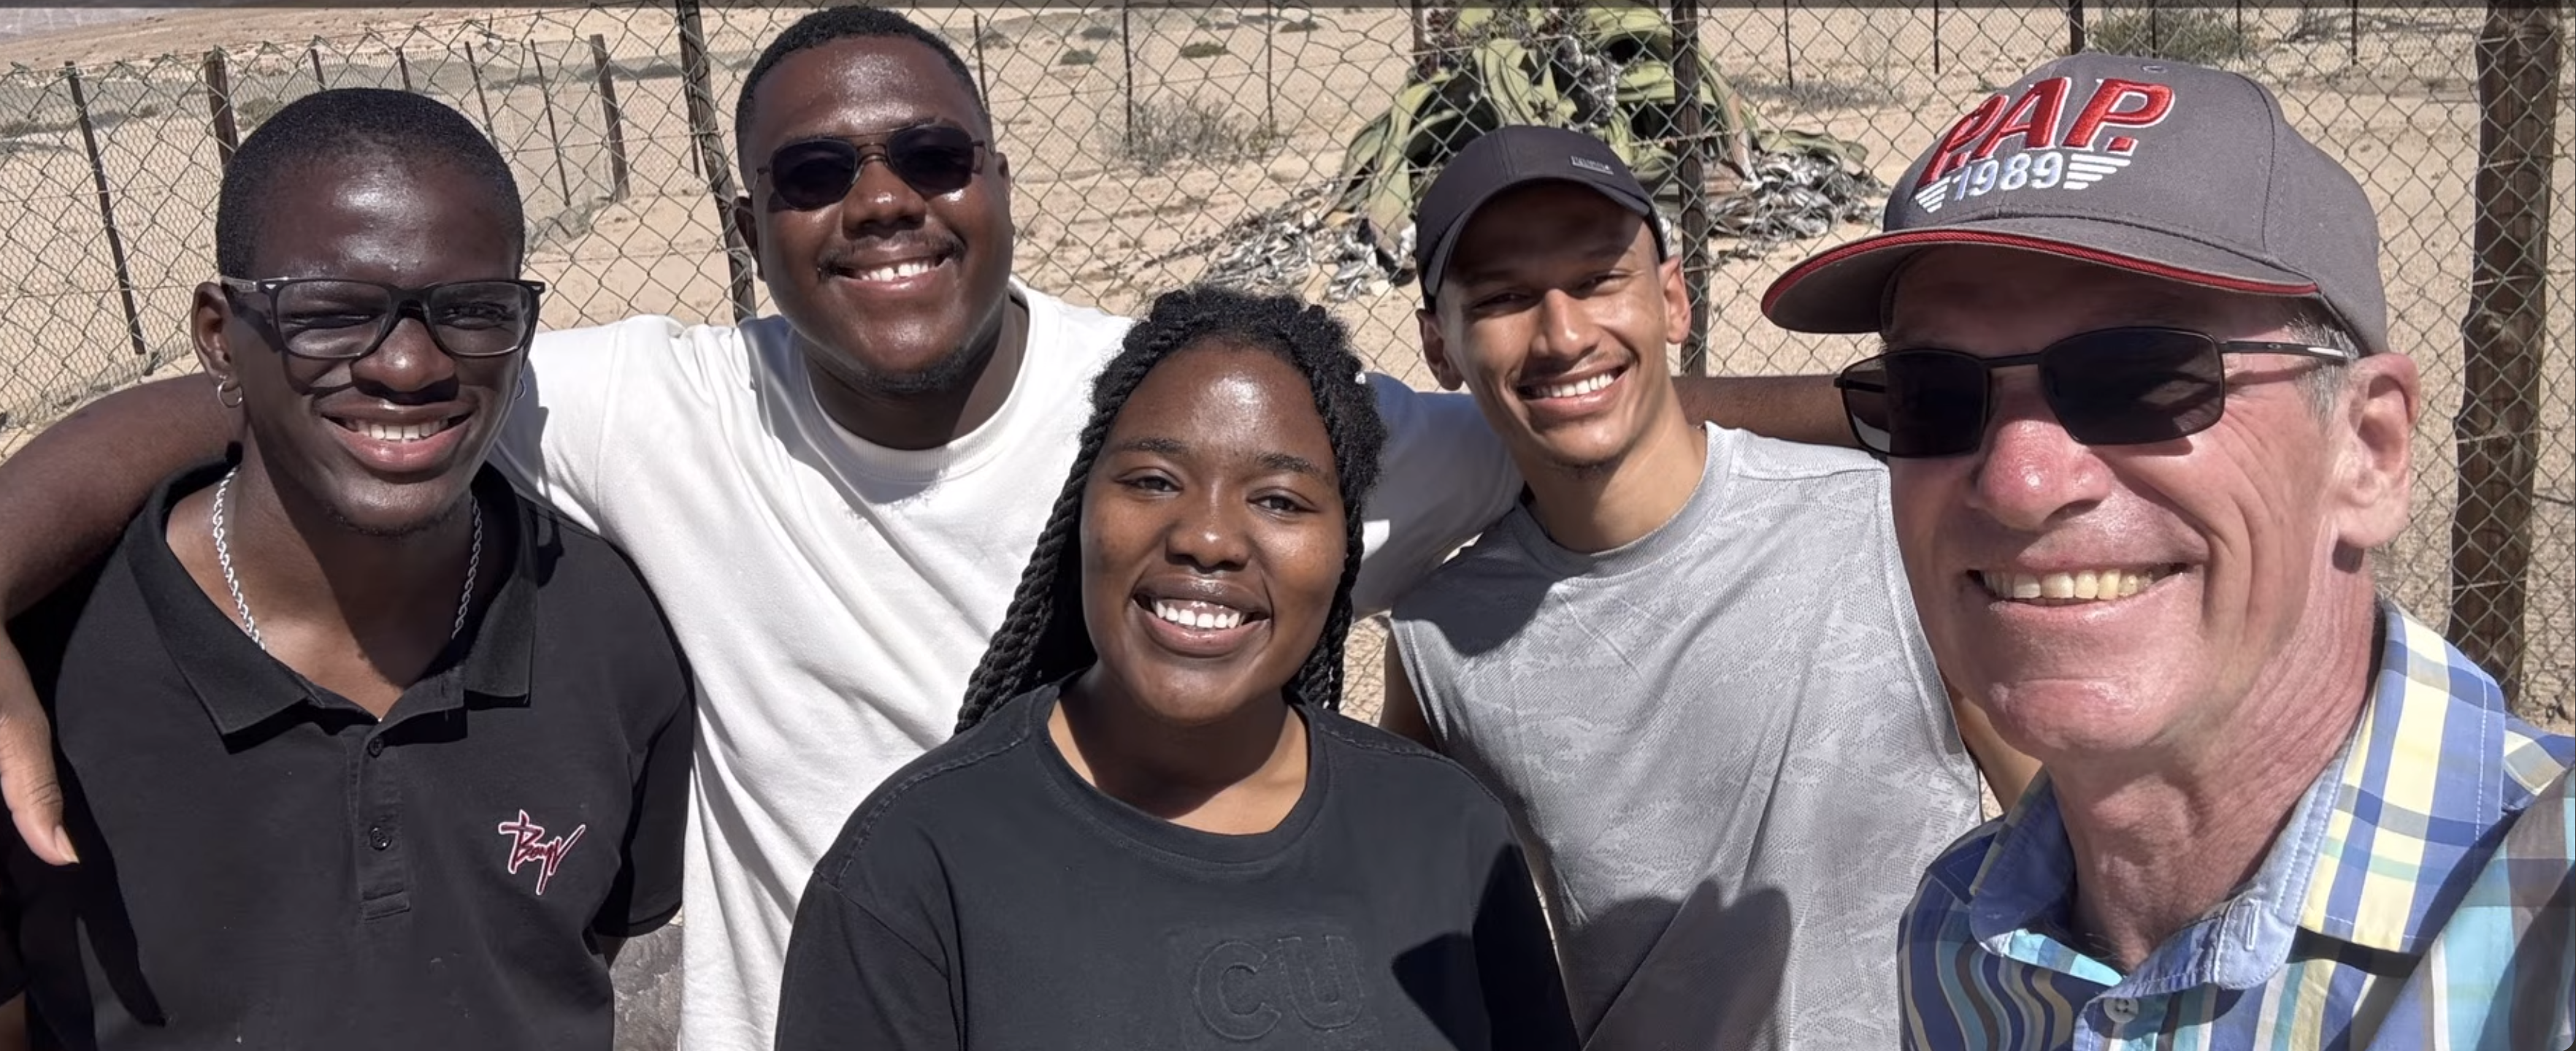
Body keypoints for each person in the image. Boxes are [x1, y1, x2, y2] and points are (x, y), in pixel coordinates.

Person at [0, 9, 1848, 1047]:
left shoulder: (1184, 411)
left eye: (927, 153)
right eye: (814, 170)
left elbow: (1558, 412)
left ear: (996, 185)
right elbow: (317, 382)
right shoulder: (648, 403)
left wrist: (1918, 408)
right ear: (750, 226)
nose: (880, 197)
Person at [1760, 52, 2576, 1047]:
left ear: (2366, 450)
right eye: (1931, 392)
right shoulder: (1959, 943)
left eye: (2140, 375)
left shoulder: (2545, 912)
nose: (2018, 481)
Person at [0, 88, 696, 1050]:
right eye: (332, 311)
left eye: (473, 308)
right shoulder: (16, 681)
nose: (408, 365)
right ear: (219, 335)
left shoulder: (604, 626)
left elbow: (568, 955)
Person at [773, 286, 1579, 1050]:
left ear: (1343, 550)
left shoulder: (1445, 830)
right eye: (1154, 481)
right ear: (1081, 513)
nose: (1207, 537)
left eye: (1279, 499)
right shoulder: (913, 868)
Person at [1377, 123, 2034, 1050]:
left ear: (1672, 299)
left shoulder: (1880, 526)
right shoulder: (1440, 639)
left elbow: (2065, 846)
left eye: (1599, 279)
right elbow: (1411, 929)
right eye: (1503, 298)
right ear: (1438, 347)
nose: (1563, 334)